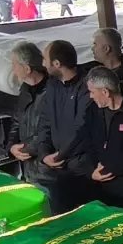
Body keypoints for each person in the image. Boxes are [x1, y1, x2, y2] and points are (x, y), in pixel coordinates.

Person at [30, 40, 93, 214]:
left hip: (81, 169)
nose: (43, 64)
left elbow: (82, 128)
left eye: (45, 59)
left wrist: (60, 156)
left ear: (57, 64)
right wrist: (44, 154)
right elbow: (45, 121)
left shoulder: (87, 86)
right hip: (56, 165)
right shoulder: (53, 85)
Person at [77, 66, 123, 211]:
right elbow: (85, 141)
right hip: (101, 189)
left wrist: (108, 170)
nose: (90, 96)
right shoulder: (93, 110)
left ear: (105, 92)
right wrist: (91, 170)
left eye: (92, 92)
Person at [5, 41, 51, 191]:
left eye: (14, 65)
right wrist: (11, 147)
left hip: (48, 171)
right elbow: (17, 121)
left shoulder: (53, 91)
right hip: (30, 169)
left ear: (27, 68)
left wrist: (27, 149)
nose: (13, 70)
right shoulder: (24, 90)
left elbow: (52, 130)